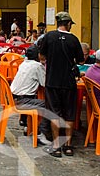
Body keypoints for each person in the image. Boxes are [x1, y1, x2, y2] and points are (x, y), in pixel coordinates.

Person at [39, 11, 84, 158]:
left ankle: (57, 146)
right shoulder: (74, 40)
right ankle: (69, 146)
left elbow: (41, 56)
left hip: (52, 81)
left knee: (54, 113)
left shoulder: (49, 37)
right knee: (69, 114)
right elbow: (81, 60)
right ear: (69, 24)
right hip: (69, 82)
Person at [10, 45, 52, 145]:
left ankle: (27, 125)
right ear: (38, 55)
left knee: (35, 98)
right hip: (23, 101)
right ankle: (40, 132)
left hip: (13, 98)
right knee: (50, 106)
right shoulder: (37, 66)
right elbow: (45, 83)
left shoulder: (24, 63)